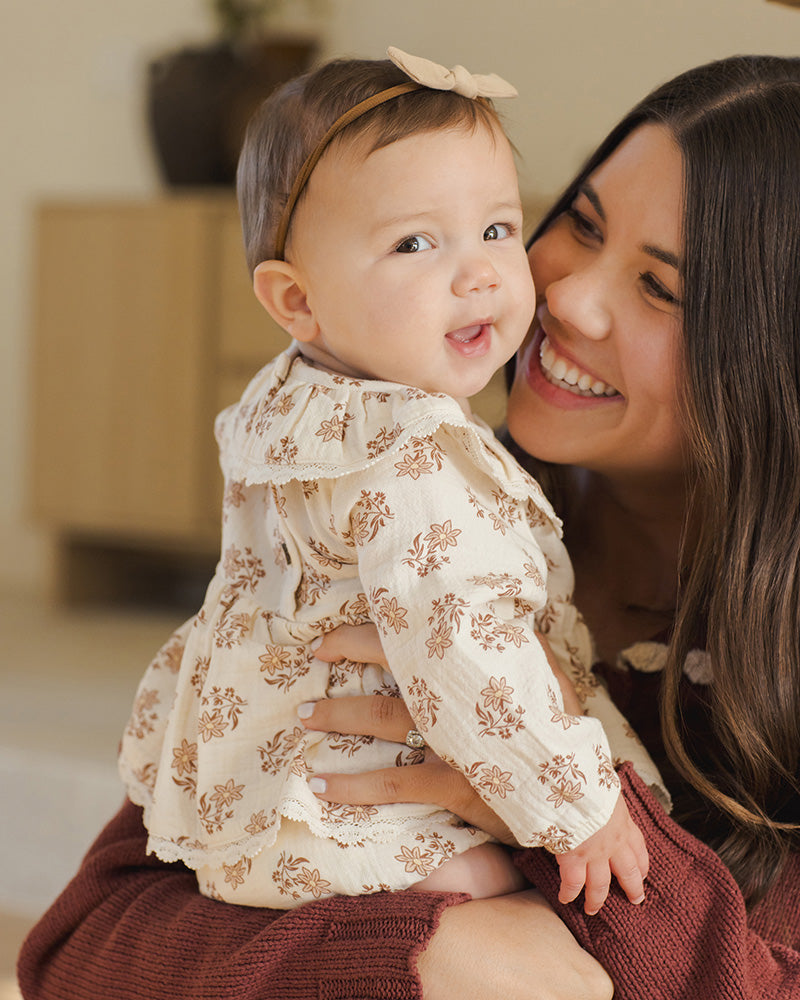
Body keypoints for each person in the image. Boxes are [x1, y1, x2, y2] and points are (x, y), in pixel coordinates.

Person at [17, 53, 800, 1000]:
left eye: (660, 289)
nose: (564, 296)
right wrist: (430, 954)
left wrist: (539, 808)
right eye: (579, 226)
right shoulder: (418, 502)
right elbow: (75, 951)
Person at [118, 46, 659, 913]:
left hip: (258, 791)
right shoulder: (412, 452)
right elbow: (464, 649)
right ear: (297, 302)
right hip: (355, 821)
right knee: (513, 895)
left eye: (497, 228)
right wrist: (577, 808)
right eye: (414, 242)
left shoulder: (293, 402)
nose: (480, 271)